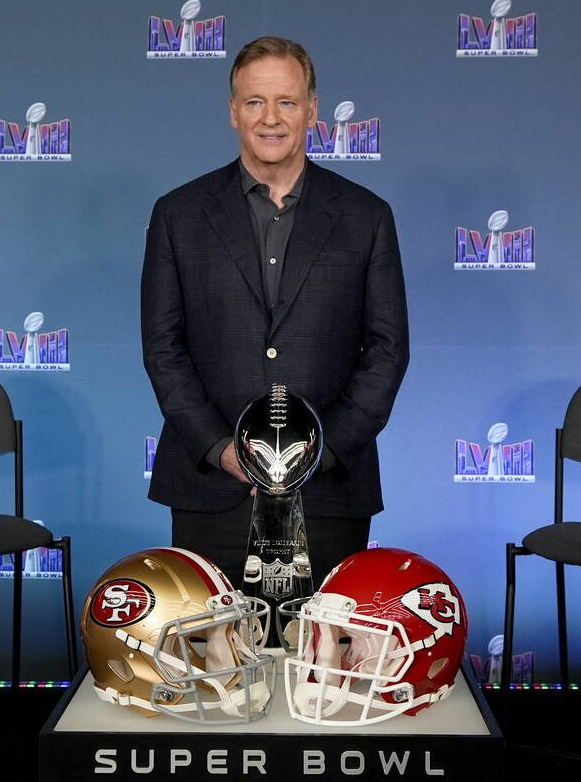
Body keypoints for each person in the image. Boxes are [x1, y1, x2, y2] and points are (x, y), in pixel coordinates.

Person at [140, 36, 409, 588]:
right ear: (233, 110)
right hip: (213, 488)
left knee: (322, 665)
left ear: (312, 110)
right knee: (217, 664)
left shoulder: (366, 216)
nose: (270, 118)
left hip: (329, 488)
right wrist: (220, 449)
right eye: (255, 102)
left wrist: (322, 450)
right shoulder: (178, 214)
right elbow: (163, 349)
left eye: (286, 102)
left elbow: (387, 350)